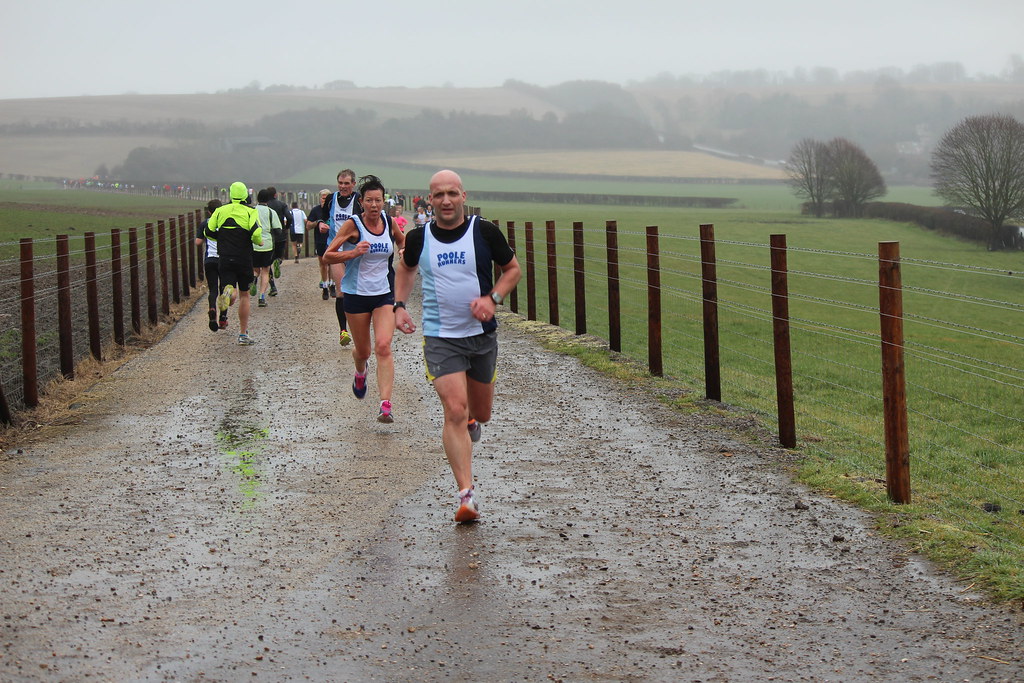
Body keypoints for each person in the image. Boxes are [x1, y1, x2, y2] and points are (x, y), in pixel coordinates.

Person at [393, 169, 521, 523]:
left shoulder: (484, 231)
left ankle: (473, 422)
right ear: (429, 200)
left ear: (463, 196)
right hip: (440, 335)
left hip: (481, 336)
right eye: (438, 195)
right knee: (454, 410)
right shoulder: (419, 238)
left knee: (480, 413)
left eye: (452, 193)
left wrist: (492, 299)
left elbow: (512, 269)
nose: (446, 201)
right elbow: (404, 269)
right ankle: (467, 496)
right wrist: (399, 305)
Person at [324, 175, 406, 423]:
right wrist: (353, 252)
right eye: (369, 200)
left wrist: (404, 250)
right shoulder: (353, 225)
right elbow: (329, 255)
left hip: (383, 294)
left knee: (383, 346)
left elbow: (402, 240)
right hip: (356, 296)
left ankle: (385, 404)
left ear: (384, 201)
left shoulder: (389, 221)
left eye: (378, 200)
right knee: (364, 351)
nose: (374, 205)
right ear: (361, 202)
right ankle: (360, 372)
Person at [206, 181, 264, 345]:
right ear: (245, 195)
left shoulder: (219, 211)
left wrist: (221, 239)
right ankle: (243, 335)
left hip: (224, 257)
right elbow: (256, 232)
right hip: (243, 257)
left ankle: (228, 293)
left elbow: (208, 231)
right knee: (245, 295)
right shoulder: (250, 212)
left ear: (230, 194)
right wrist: (258, 242)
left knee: (229, 288)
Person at [323, 169, 361, 346]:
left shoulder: (359, 200)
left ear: (353, 184)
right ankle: (343, 331)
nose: (343, 186)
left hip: (354, 251)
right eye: (340, 182)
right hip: (335, 249)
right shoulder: (331, 199)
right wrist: (322, 225)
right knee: (341, 291)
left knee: (355, 291)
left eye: (347, 183)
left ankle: (358, 327)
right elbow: (324, 218)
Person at [195, 199, 226, 332]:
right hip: (224, 260)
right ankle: (223, 318)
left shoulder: (205, 223)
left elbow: (197, 242)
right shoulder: (226, 222)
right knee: (224, 289)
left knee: (213, 289)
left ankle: (212, 308)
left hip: (210, 260)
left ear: (209, 211)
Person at [252, 189, 280, 308]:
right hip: (267, 244)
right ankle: (262, 296)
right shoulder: (271, 212)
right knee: (265, 271)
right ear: (268, 199)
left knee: (255, 269)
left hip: (254, 244)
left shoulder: (252, 211)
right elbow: (278, 230)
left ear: (257, 198)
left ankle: (253, 279)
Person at [306, 189, 333, 300]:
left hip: (332, 240)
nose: (324, 200)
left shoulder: (334, 210)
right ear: (320, 198)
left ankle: (332, 284)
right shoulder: (315, 210)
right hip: (320, 240)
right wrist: (317, 223)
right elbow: (308, 226)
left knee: (333, 263)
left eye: (327, 198)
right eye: (323, 197)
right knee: (323, 263)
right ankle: (325, 286)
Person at [266, 186, 292, 295]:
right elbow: (289, 217)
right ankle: (278, 260)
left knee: (267, 263)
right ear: (276, 195)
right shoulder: (282, 205)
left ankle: (272, 286)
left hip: (268, 236)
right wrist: (286, 227)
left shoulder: (265, 206)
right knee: (278, 255)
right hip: (280, 235)